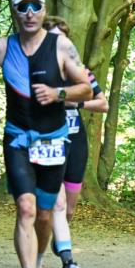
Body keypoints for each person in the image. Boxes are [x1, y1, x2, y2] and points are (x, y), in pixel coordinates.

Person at [0, 0, 92, 268]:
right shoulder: (1, 48)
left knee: (44, 215)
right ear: (14, 11)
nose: (29, 12)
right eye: (22, 6)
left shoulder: (61, 46)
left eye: (35, 6)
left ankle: (38, 264)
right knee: (25, 209)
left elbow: (86, 88)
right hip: (17, 139)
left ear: (43, 11)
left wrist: (58, 94)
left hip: (54, 141)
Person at [44, 17, 109, 223]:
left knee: (69, 210)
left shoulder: (81, 73)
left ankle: (60, 237)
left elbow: (103, 104)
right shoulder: (37, 72)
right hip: (49, 140)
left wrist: (77, 104)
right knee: (53, 201)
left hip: (76, 141)